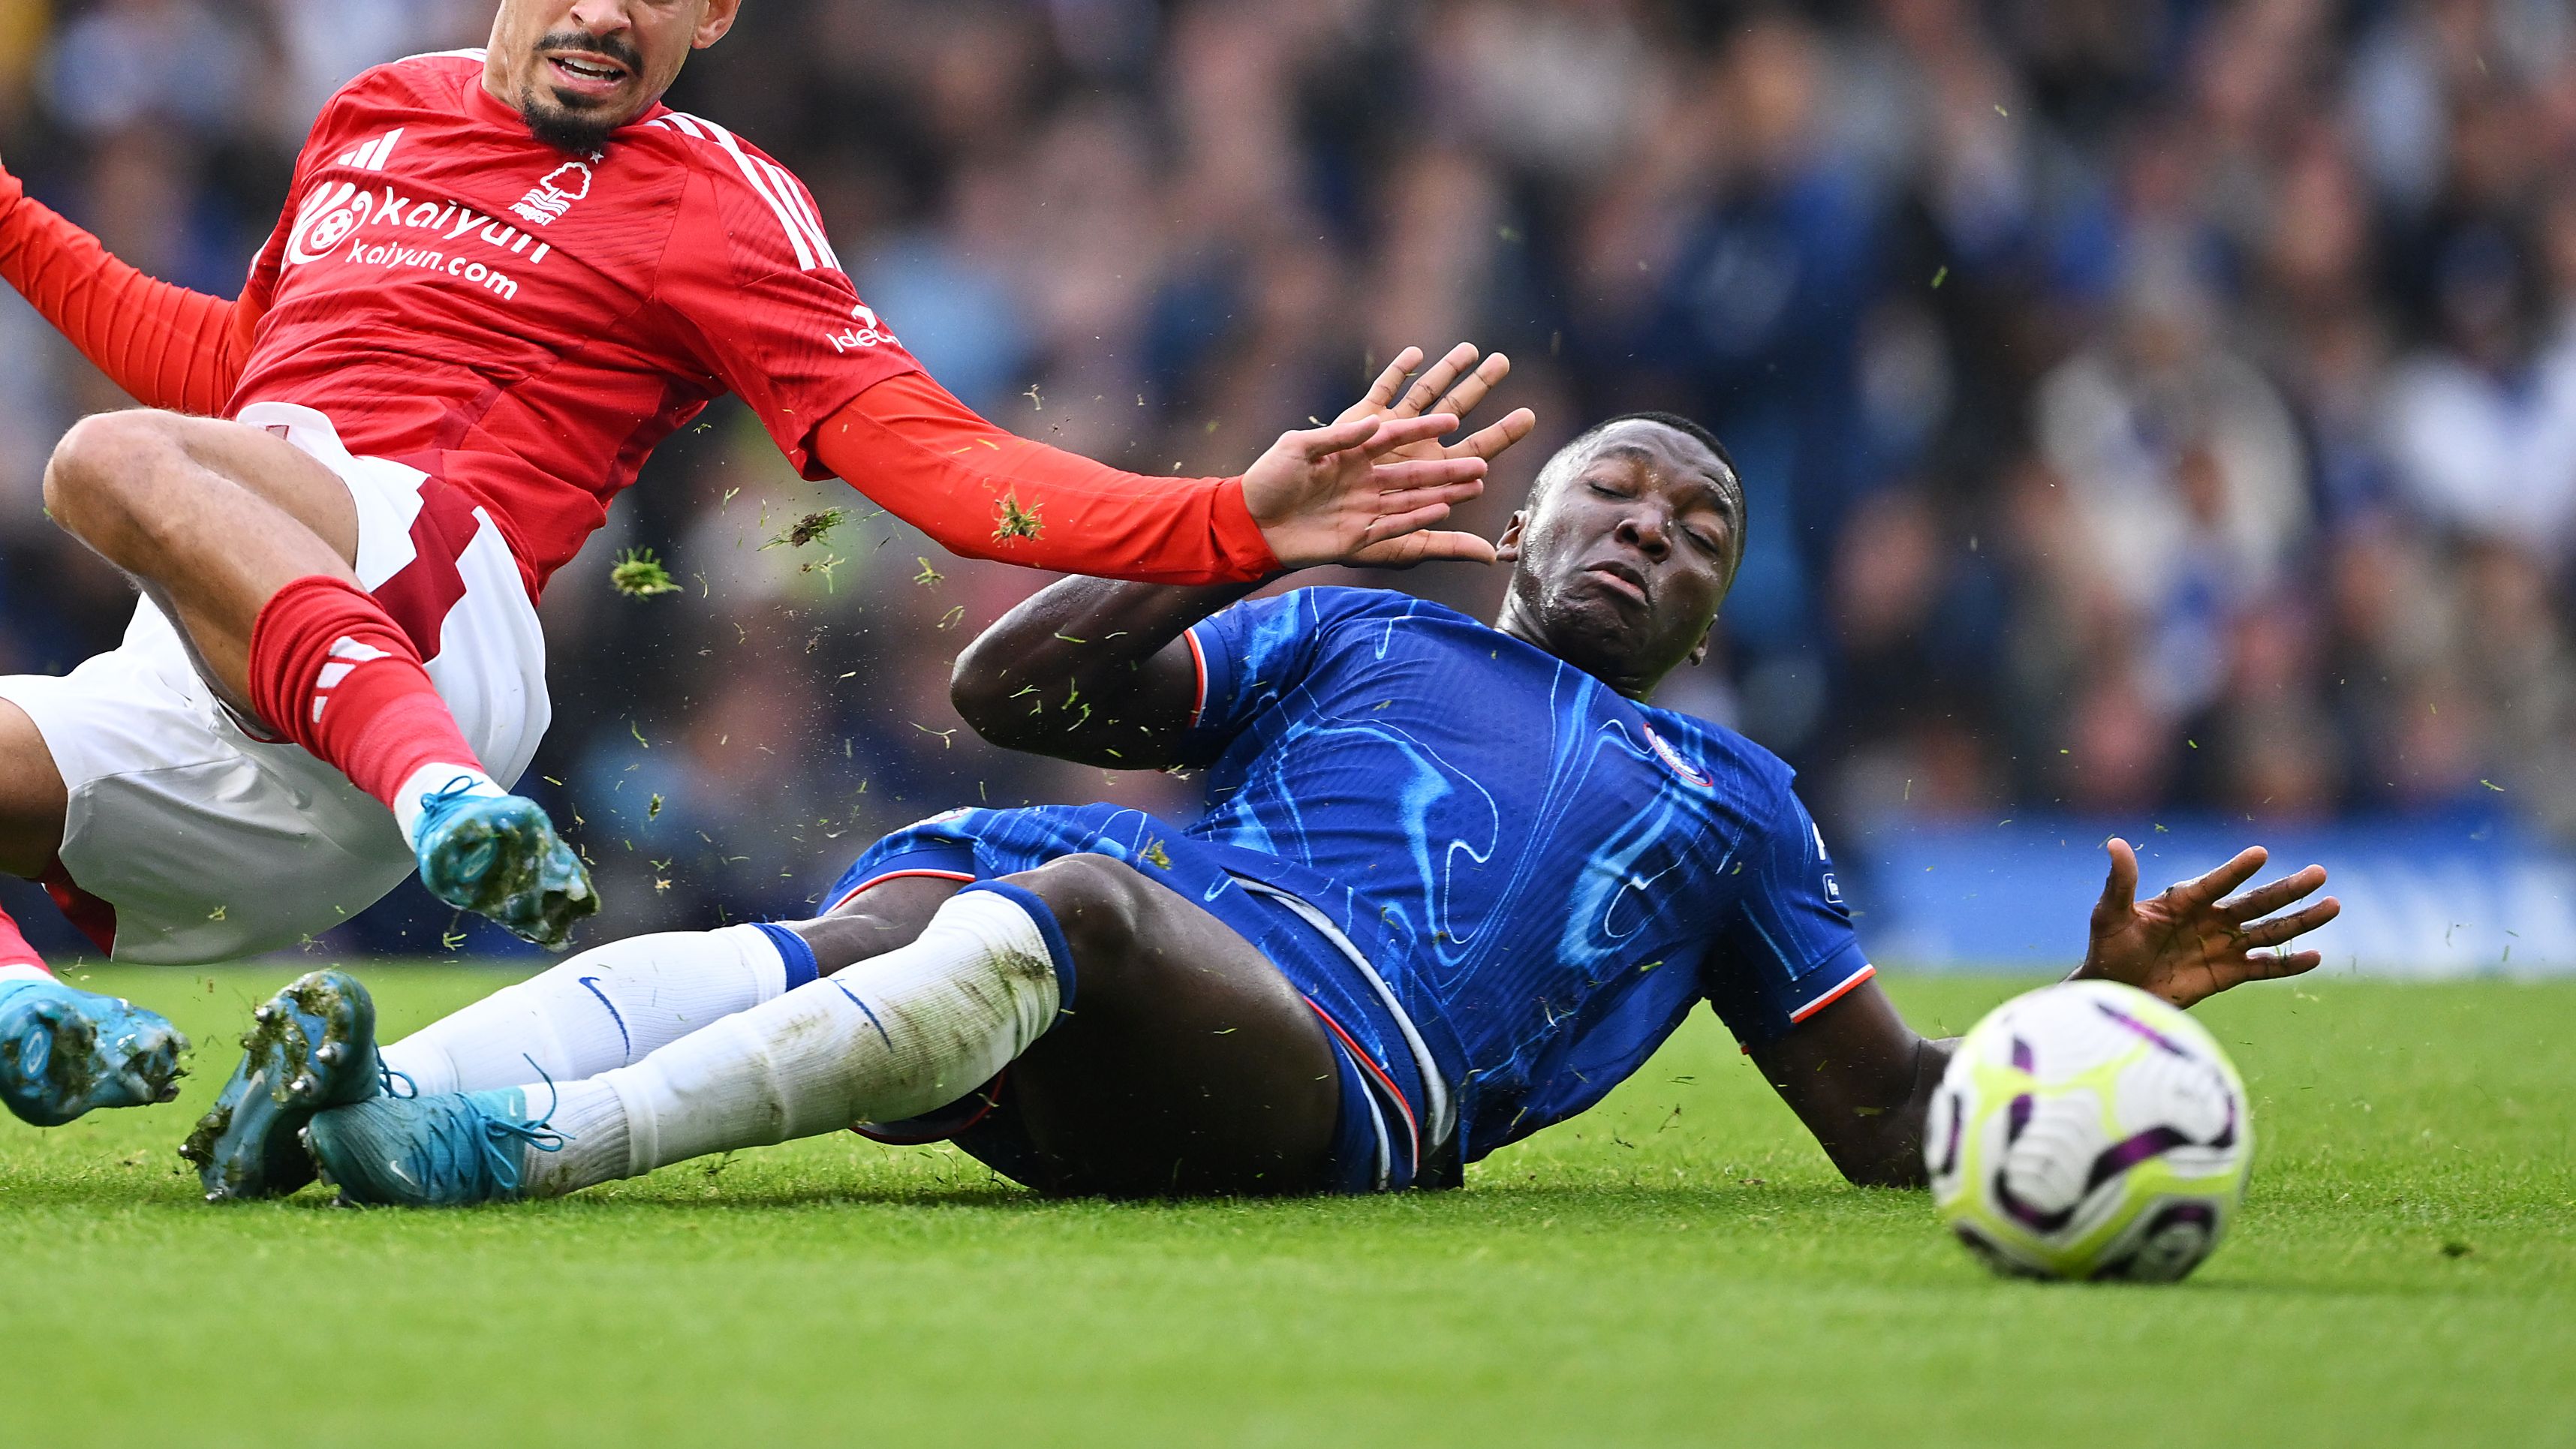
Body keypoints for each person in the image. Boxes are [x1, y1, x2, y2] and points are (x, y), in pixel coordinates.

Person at [190, 365, 2338, 1205]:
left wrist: (2103, 1011)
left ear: (1712, 612)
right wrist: (1223, 530)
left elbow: (1886, 1122)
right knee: (851, 927)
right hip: (1088, 942)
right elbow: (1022, 681)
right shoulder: (1366, 625)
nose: (1653, 532)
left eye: (1699, 532)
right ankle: (345, 1105)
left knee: (1076, 914)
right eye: (1618, 495)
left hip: (1328, 1071)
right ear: (1518, 525)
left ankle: (516, 1150)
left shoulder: (1732, 796)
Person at [0, 0, 1505, 1129]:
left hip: (436, 614)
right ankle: (33, 1017)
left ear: (713, 19)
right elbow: (246, 371)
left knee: (102, 460)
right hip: (239, 657)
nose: (607, 10)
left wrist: (1231, 519)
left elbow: (943, 469)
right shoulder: (373, 112)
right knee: (134, 470)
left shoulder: (719, 204)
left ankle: (444, 793)